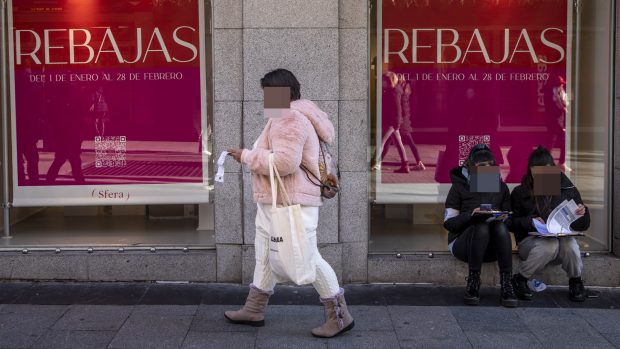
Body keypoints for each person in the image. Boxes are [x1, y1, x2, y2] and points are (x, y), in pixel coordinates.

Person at [225, 69, 354, 338]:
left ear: (280, 92)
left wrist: (246, 156)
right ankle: (254, 309)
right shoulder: (290, 115)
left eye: (267, 93)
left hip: (290, 202)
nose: (264, 99)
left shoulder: (289, 116)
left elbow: (285, 163)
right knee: (264, 253)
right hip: (276, 201)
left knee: (309, 258)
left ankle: (339, 316)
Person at [510, 146, 589, 302]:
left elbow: (583, 225)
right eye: (535, 170)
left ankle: (576, 282)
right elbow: (510, 223)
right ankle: (520, 279)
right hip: (531, 244)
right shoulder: (521, 192)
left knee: (570, 245)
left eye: (544, 170)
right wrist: (530, 222)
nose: (540, 175)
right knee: (550, 245)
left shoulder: (567, 189)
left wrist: (582, 213)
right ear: (530, 170)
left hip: (561, 243)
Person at [443, 144, 517, 307]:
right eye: (480, 170)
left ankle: (507, 284)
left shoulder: (501, 188)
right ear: (470, 169)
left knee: (500, 227)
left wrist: (501, 216)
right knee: (481, 226)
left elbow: (511, 222)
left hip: (493, 248)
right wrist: (470, 215)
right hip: (463, 245)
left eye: (488, 170)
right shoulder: (458, 187)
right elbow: (449, 224)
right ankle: (473, 281)